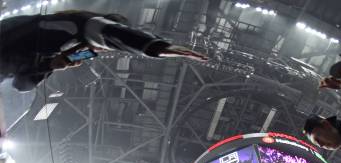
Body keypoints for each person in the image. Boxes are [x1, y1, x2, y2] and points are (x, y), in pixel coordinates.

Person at [0, 10, 208, 92]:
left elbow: (21, 83)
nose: (98, 49)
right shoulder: (86, 25)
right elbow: (115, 35)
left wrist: (50, 65)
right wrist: (161, 47)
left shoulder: (78, 49)